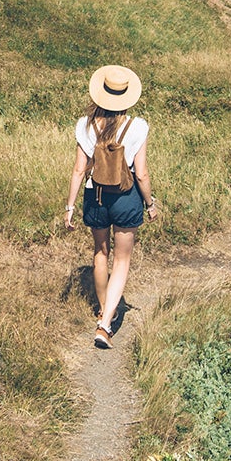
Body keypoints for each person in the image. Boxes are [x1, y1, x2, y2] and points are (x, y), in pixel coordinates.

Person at [63, 64, 159, 349]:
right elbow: (141, 173)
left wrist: (70, 207)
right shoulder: (137, 126)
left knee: (100, 253)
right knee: (122, 260)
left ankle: (105, 309)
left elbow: (78, 170)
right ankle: (105, 325)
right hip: (126, 197)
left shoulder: (85, 125)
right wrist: (150, 203)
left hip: (95, 196)